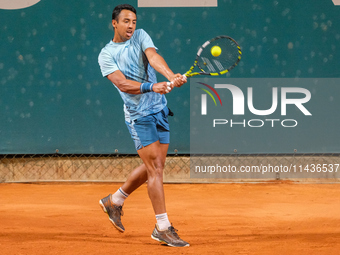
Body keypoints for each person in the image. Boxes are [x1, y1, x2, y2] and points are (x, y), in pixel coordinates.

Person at [97, 4, 189, 247]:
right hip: (139, 116)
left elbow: (153, 57)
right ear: (114, 23)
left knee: (156, 166)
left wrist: (170, 76)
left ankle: (114, 200)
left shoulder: (140, 36)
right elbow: (123, 84)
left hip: (159, 109)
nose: (131, 26)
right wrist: (151, 86)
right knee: (155, 169)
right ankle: (163, 227)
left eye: (134, 21)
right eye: (126, 21)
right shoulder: (106, 54)